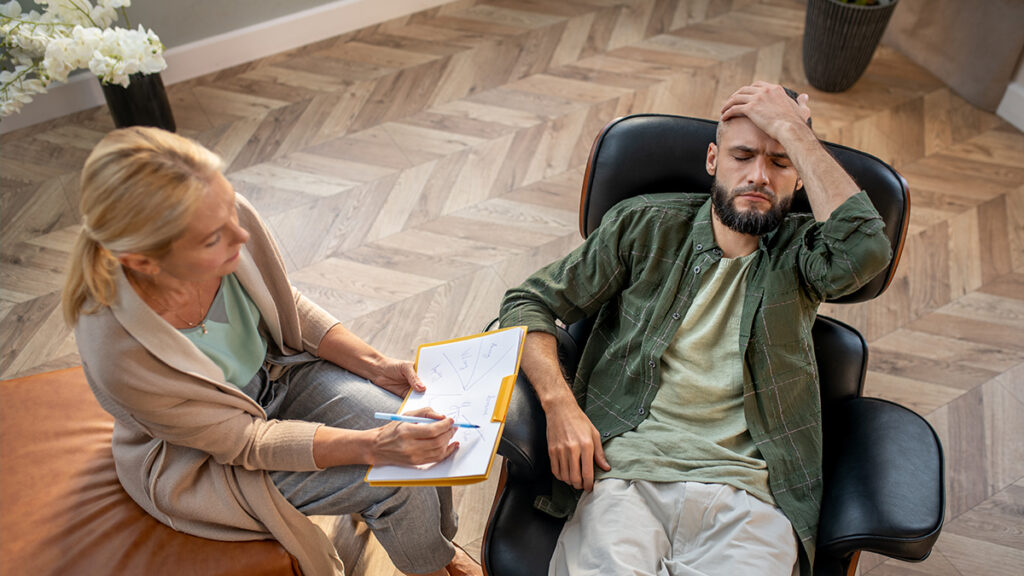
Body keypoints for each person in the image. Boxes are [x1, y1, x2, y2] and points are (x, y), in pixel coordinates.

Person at [499, 82, 893, 576]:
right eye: (743, 155)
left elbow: (868, 251)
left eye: (780, 161)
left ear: (798, 178)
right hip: (627, 477)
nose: (758, 176)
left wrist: (795, 131)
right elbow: (527, 302)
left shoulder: (806, 255)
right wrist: (561, 408)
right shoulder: (644, 226)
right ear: (712, 159)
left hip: (753, 498)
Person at [62, 126, 482, 576]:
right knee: (397, 481)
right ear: (143, 262)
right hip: (206, 456)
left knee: (425, 424)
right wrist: (374, 446)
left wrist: (376, 365)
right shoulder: (119, 351)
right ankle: (432, 567)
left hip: (278, 374)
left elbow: (287, 305)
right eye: (212, 239)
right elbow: (245, 442)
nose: (240, 236)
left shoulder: (227, 218)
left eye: (231, 208)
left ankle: (438, 546)